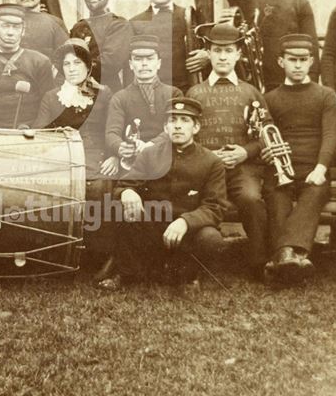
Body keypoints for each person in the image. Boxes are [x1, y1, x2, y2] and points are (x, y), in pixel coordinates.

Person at [97, 97, 228, 291]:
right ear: (165, 127)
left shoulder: (211, 161)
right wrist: (127, 192)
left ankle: (188, 275)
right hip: (153, 227)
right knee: (126, 212)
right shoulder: (150, 154)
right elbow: (124, 184)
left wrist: (186, 221)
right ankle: (127, 273)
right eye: (172, 121)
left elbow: (214, 207)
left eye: (185, 121)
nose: (177, 126)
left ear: (196, 127)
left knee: (211, 238)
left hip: (187, 232)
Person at [187, 23, 269, 276]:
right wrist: (209, 157)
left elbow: (267, 134)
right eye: (217, 50)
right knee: (189, 201)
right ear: (208, 54)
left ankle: (259, 263)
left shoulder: (251, 92)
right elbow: (185, 136)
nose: (222, 56)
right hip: (205, 171)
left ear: (238, 55)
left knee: (251, 199)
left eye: (228, 51)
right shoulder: (195, 92)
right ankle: (192, 264)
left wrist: (244, 153)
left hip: (241, 169)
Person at [261, 34, 336, 284]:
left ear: (311, 62)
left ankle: (282, 256)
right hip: (281, 169)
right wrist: (268, 153)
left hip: (313, 168)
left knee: (314, 193)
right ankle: (297, 257)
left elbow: (330, 135)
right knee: (275, 195)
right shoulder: (270, 98)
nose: (297, 65)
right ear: (281, 61)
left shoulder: (325, 95)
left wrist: (321, 168)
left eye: (303, 60)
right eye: (292, 59)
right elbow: (267, 136)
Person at [34, 38, 117, 179]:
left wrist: (115, 157)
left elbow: (114, 130)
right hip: (64, 158)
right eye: (66, 64)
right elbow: (40, 133)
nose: (72, 69)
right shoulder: (51, 97)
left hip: (99, 159)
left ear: (88, 66)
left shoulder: (103, 94)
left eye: (77, 63)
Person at [0, 3, 55, 129]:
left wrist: (34, 132)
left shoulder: (40, 62)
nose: (10, 33)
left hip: (32, 134)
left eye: (16, 27)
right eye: (5, 26)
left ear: (23, 31)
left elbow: (48, 106)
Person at [105, 35, 183, 172]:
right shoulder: (120, 97)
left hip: (168, 158)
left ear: (158, 63)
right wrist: (120, 147)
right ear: (130, 65)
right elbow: (111, 133)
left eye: (150, 58)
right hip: (134, 163)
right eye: (138, 59)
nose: (144, 64)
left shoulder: (174, 94)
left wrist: (152, 145)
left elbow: (177, 127)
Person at [129, 0, 209, 90]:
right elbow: (130, 65)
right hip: (150, 94)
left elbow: (208, 45)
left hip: (187, 91)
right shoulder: (135, 22)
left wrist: (207, 55)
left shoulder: (189, 15)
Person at [69, 0, 133, 91]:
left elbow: (109, 64)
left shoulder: (119, 25)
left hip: (106, 94)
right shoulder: (78, 27)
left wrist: (75, 69)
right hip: (76, 93)